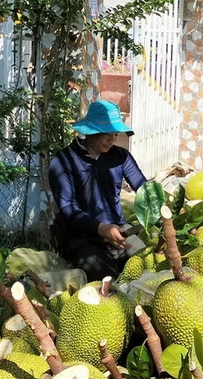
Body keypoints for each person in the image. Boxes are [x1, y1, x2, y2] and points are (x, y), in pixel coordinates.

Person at [48, 100, 148, 281]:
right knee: (108, 278)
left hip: (119, 231)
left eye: (115, 134)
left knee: (145, 267)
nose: (112, 139)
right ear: (90, 132)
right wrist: (102, 228)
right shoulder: (63, 161)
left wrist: (159, 204)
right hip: (80, 237)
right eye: (106, 134)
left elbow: (142, 185)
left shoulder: (120, 156)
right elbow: (67, 208)